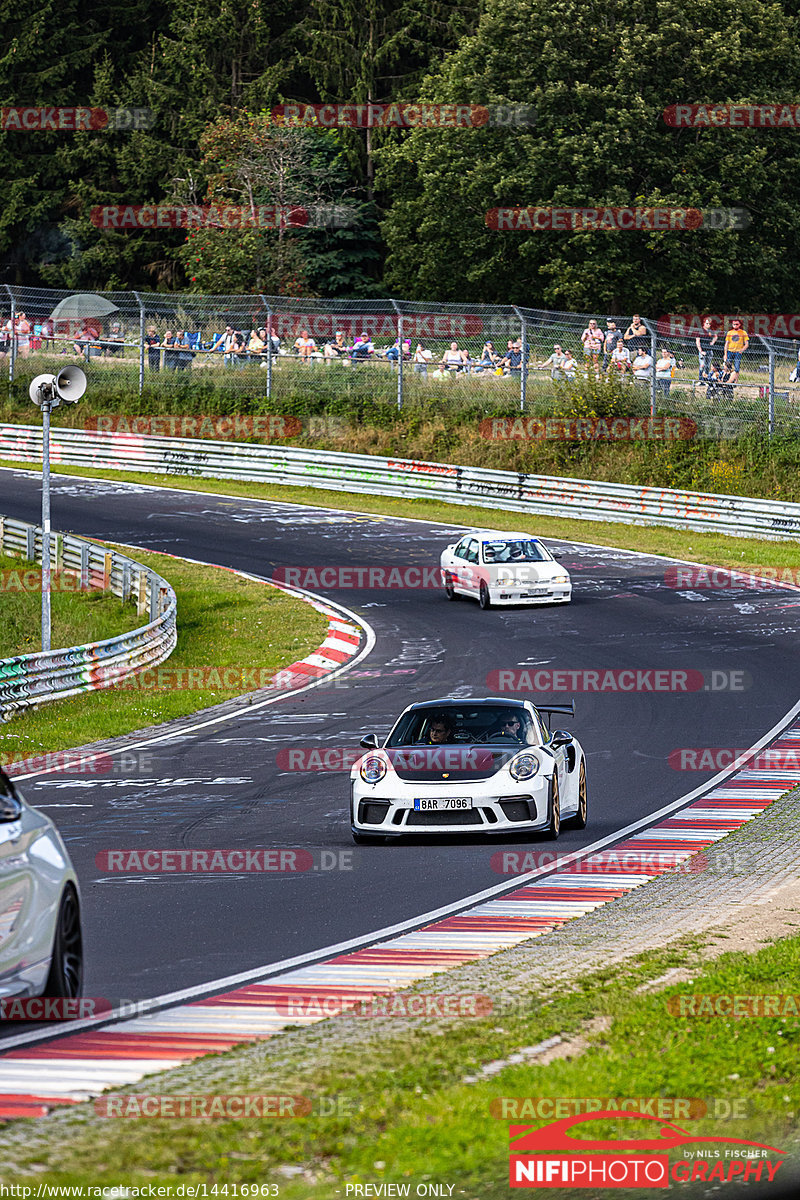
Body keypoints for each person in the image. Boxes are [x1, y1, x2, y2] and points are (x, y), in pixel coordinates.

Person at [723, 318, 749, 384]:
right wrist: (725, 354)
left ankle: (735, 382)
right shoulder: (730, 332)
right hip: (730, 351)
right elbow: (726, 344)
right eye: (734, 324)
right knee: (727, 367)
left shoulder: (743, 332)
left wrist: (741, 350)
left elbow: (746, 344)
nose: (735, 325)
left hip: (738, 352)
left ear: (739, 324)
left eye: (737, 324)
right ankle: (727, 380)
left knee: (737, 368)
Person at [695, 317, 718, 382]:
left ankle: (706, 380)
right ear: (704, 323)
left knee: (708, 366)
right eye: (707, 323)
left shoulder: (710, 331)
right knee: (702, 365)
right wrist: (701, 351)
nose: (708, 325)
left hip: (709, 351)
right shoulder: (700, 331)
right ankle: (700, 380)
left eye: (709, 324)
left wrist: (712, 342)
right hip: (703, 351)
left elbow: (716, 336)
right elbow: (697, 341)